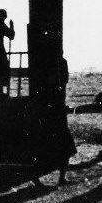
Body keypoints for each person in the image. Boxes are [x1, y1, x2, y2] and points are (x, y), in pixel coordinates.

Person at [32, 57, 76, 187]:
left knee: (60, 147)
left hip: (53, 115)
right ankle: (50, 177)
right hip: (52, 116)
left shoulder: (56, 66)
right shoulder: (53, 80)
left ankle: (57, 177)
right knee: (59, 146)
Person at [0, 9, 15, 97]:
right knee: (3, 69)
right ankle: (0, 89)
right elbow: (11, 36)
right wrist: (12, 27)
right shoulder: (1, 24)